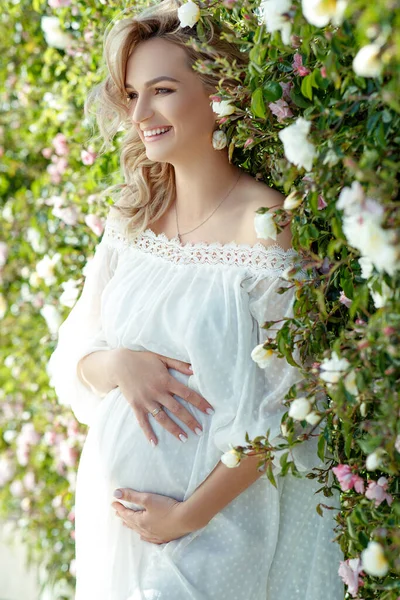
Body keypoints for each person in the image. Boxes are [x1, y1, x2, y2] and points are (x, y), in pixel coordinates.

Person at [48, 1, 344, 598]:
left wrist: (185, 518)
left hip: (212, 531)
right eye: (132, 94)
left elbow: (284, 411)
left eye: (161, 89)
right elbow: (77, 349)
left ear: (217, 94)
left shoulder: (264, 225)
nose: (141, 114)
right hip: (117, 520)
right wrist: (121, 366)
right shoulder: (133, 218)